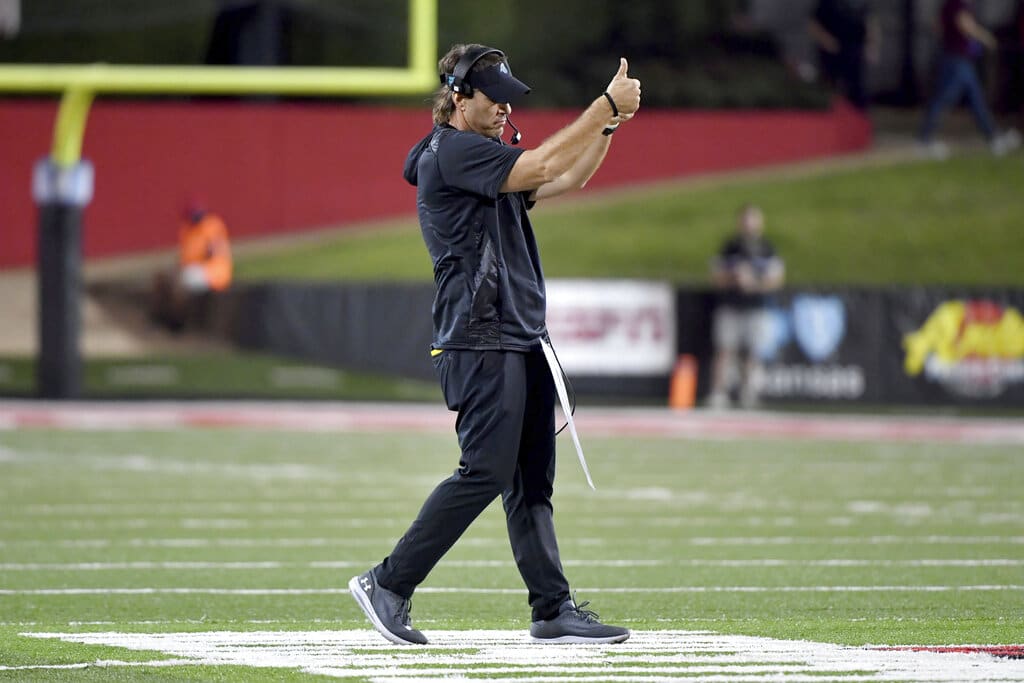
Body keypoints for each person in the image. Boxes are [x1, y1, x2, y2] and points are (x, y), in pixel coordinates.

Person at [347, 43, 641, 646]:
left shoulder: (475, 152)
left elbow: (569, 175)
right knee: (484, 471)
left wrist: (607, 125)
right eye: (495, 98)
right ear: (459, 98)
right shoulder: (452, 153)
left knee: (532, 480)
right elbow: (535, 168)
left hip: (517, 335)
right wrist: (602, 104)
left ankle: (552, 608)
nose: (506, 108)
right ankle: (388, 583)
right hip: (482, 337)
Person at [919, 0, 1022, 158]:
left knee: (975, 100)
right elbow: (965, 24)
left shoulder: (948, 5)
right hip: (957, 60)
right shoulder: (958, 4)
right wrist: (986, 38)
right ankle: (925, 140)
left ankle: (993, 137)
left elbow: (937, 26)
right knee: (944, 99)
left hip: (955, 57)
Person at [707, 204, 784, 411]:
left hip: (756, 306)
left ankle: (748, 392)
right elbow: (716, 276)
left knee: (753, 352)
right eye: (746, 220)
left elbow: (776, 279)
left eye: (753, 220)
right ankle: (719, 393)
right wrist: (735, 277)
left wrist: (754, 283)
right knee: (725, 349)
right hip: (731, 305)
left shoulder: (767, 248)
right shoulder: (730, 247)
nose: (749, 224)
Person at [150, 203, 232, 330]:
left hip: (212, 272)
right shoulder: (187, 230)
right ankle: (161, 316)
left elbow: (215, 253)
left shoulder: (212, 227)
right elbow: (185, 258)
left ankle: (177, 321)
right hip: (195, 270)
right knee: (164, 277)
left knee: (179, 281)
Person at [808, 0, 880, 109]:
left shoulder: (862, 3)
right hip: (832, 50)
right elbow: (813, 24)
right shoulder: (827, 3)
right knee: (830, 86)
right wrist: (827, 41)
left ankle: (858, 115)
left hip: (855, 49)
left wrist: (872, 46)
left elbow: (871, 23)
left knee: (857, 88)